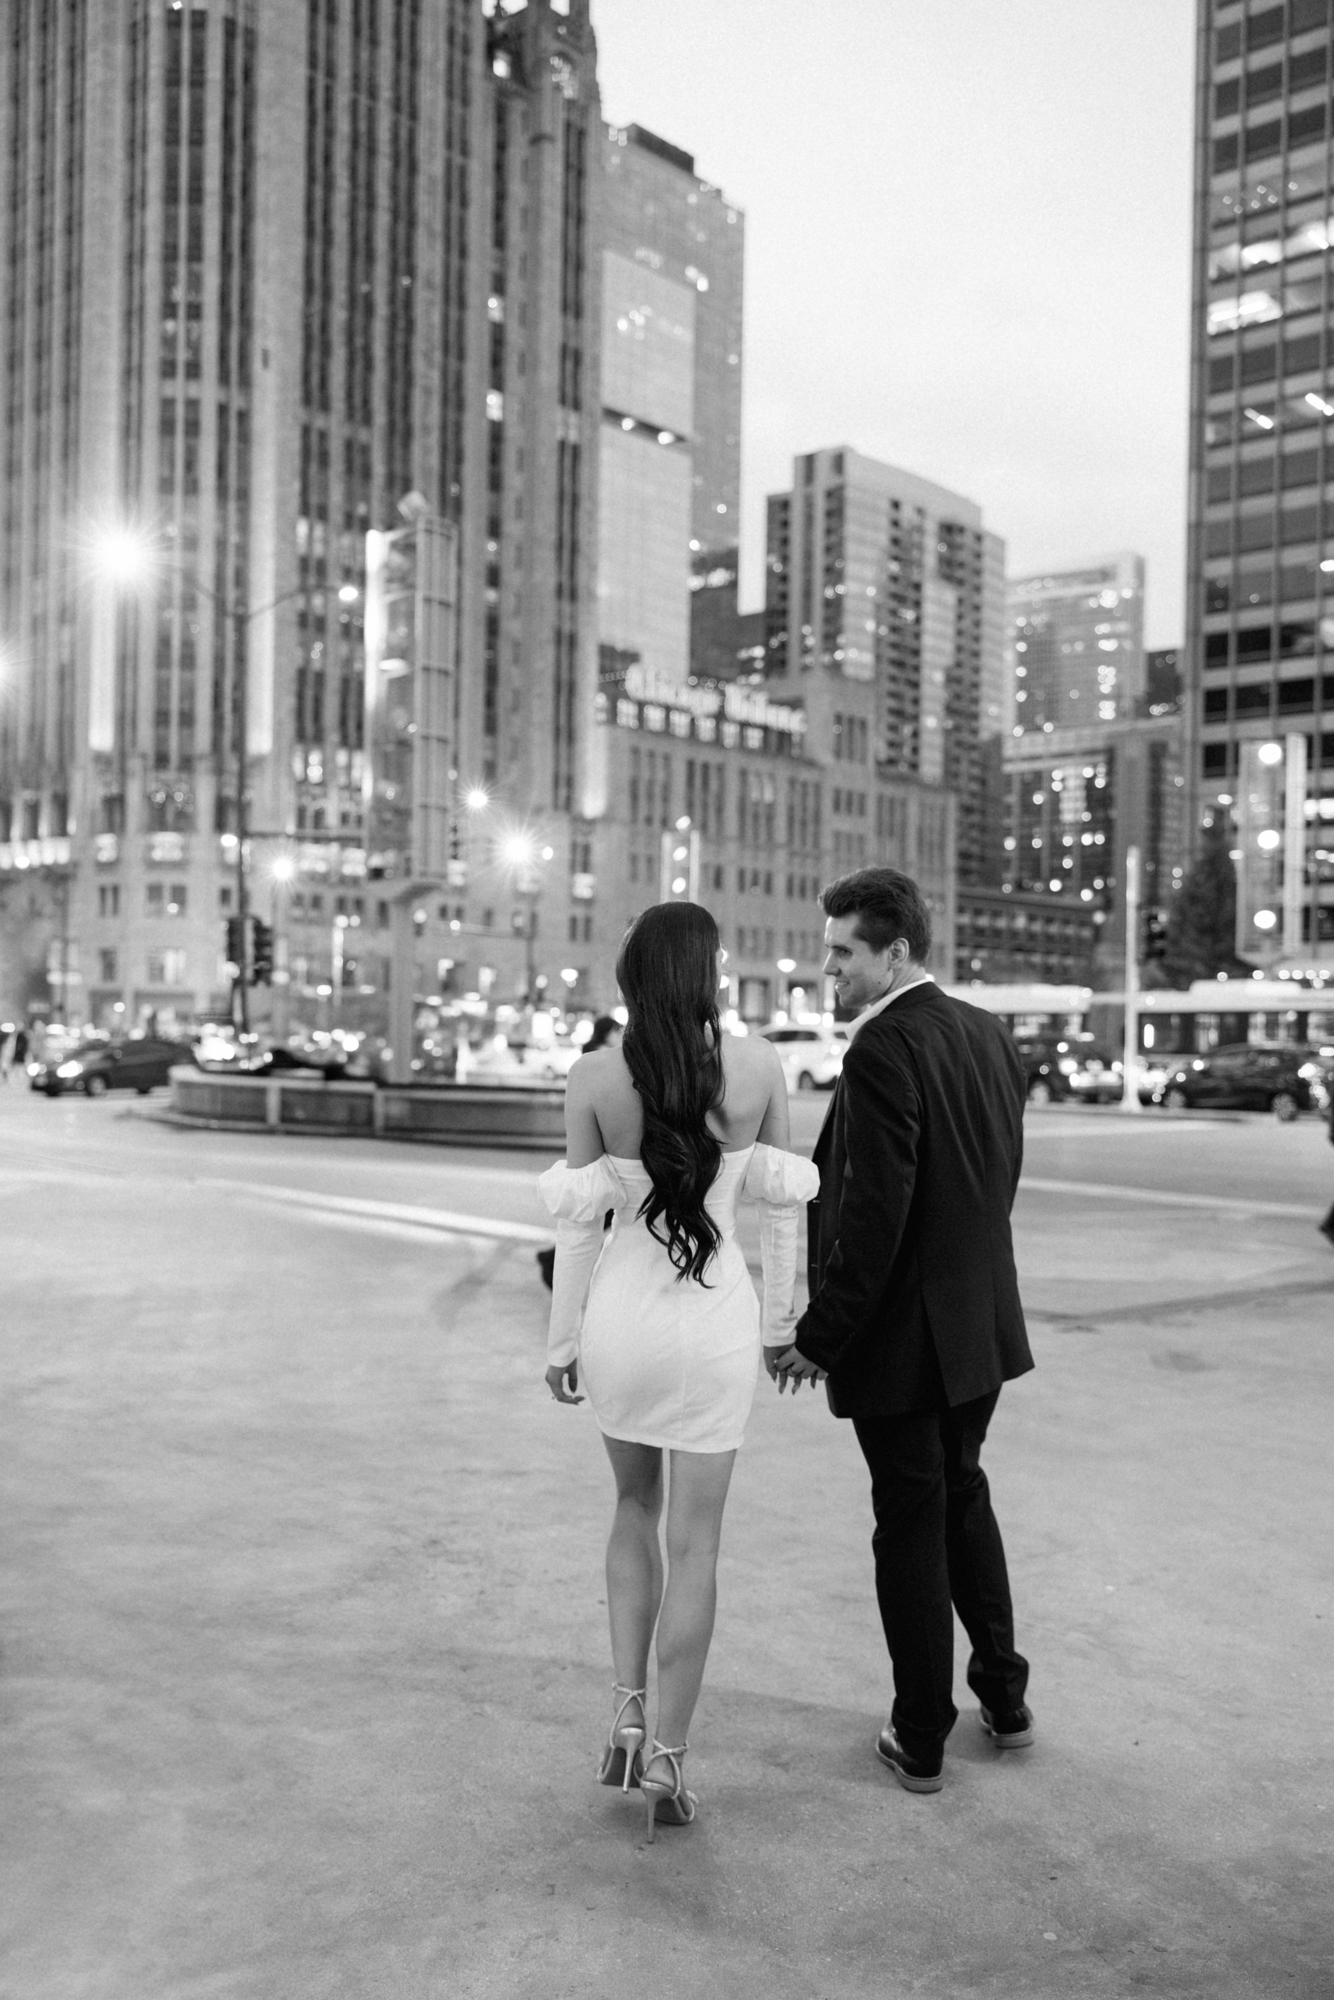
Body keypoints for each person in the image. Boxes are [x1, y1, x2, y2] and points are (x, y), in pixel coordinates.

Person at [541, 903, 818, 1842]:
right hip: (715, 1330)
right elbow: (784, 1214)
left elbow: (578, 1227)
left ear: (631, 977)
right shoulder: (757, 1066)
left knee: (631, 1511)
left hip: (620, 1322)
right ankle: (667, 1755)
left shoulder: (591, 1077)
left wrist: (560, 1343)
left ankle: (624, 1707)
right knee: (697, 1544)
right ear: (709, 974)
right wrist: (785, 1325)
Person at [767, 866, 1034, 1795]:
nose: (827, 968)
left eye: (844, 952)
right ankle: (1005, 1699)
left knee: (910, 1525)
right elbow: (998, 1179)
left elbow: (872, 1215)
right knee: (963, 1495)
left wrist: (821, 1334)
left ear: (897, 953)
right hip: (980, 1327)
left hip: (906, 1342)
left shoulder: (884, 1051)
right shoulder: (989, 1035)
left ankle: (920, 1734)